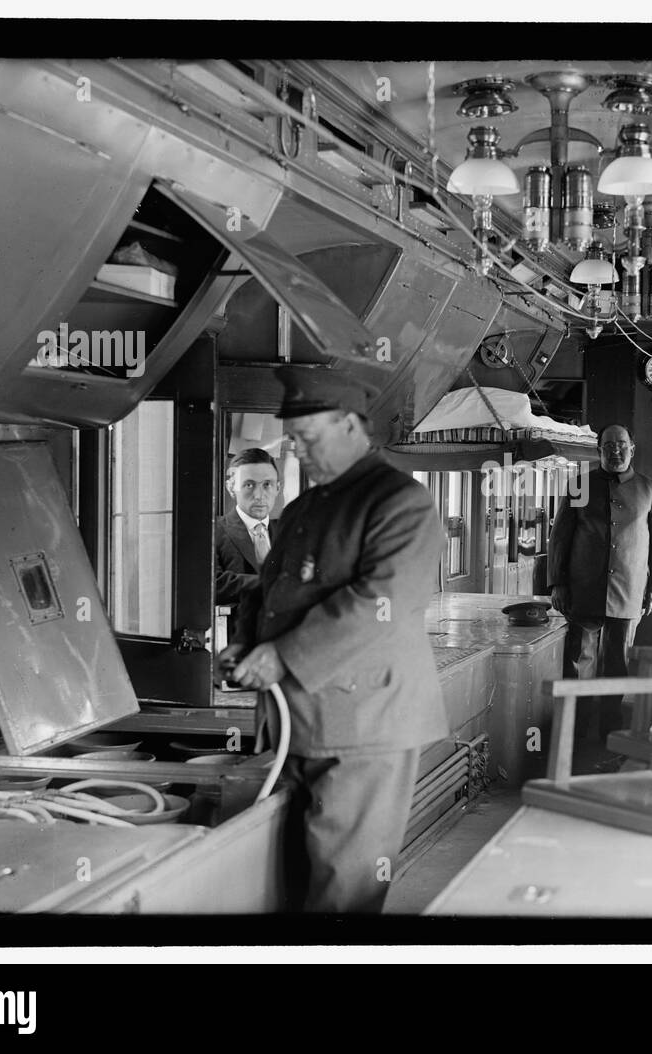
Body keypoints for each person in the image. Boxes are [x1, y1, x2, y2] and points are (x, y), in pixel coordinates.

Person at [217, 366, 448, 914]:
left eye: (309, 438)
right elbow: (270, 591)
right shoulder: (303, 508)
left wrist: (282, 657)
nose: (298, 451)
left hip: (364, 727)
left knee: (341, 889)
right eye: (294, 440)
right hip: (300, 723)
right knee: (294, 884)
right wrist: (248, 644)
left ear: (350, 426)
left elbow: (379, 606)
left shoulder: (400, 502)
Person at [547, 423, 652, 742]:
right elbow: (560, 537)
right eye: (609, 445)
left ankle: (610, 736)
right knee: (579, 665)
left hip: (629, 592)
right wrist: (557, 583)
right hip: (583, 590)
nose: (616, 450)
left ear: (633, 448)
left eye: (622, 444)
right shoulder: (580, 486)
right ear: (598, 449)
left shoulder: (650, 489)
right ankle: (575, 736)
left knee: (619, 664)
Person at [214, 448, 280, 643]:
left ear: (278, 488)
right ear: (231, 487)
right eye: (249, 485)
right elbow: (213, 584)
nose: (259, 495)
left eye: (267, 485)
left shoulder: (291, 532)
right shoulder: (214, 531)